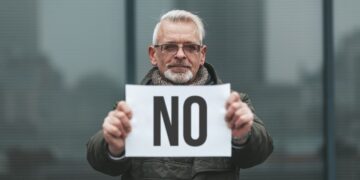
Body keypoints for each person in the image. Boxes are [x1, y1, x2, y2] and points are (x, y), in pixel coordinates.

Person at [87, 10, 273, 180]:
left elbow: (260, 151)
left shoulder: (231, 105)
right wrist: (113, 147)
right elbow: (98, 159)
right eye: (169, 47)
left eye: (191, 47)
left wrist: (243, 136)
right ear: (153, 55)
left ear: (202, 55)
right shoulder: (132, 106)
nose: (180, 55)